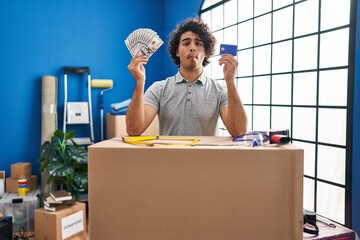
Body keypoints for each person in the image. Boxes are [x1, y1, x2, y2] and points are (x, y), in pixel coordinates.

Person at [126, 17, 247, 137]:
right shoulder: (158, 89)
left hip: (207, 157)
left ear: (206, 52)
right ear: (177, 52)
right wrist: (139, 82)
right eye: (186, 43)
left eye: (199, 43)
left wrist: (230, 81)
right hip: (169, 156)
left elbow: (239, 131)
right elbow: (134, 130)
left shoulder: (220, 91)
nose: (193, 47)